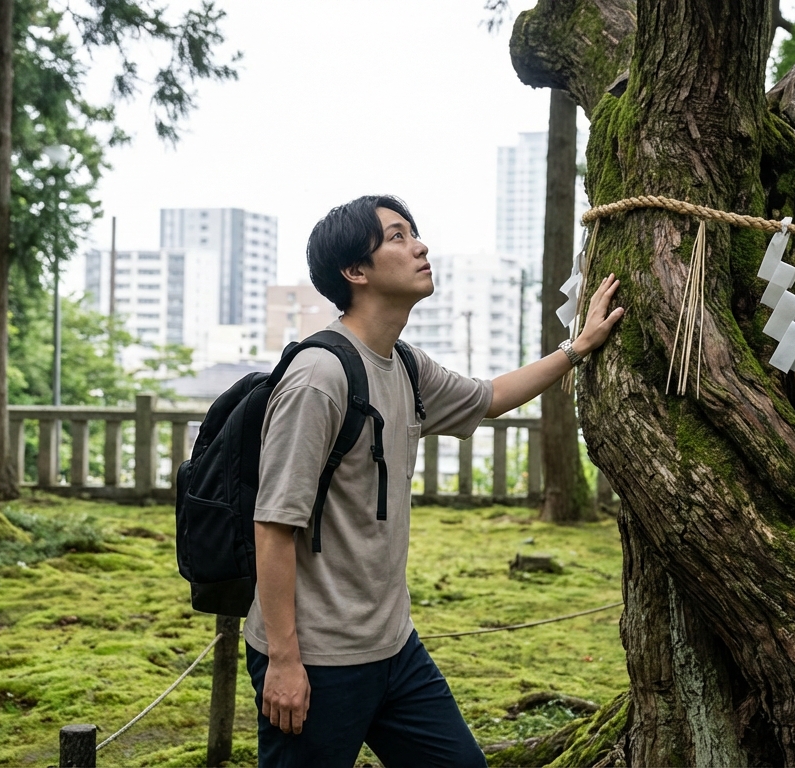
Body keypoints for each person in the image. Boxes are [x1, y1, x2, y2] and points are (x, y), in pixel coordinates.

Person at [243, 194, 624, 767]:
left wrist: (579, 347)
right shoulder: (319, 378)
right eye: (396, 237)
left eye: (413, 233)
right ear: (355, 271)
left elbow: (489, 397)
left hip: (394, 646)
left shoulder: (404, 365)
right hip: (318, 656)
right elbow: (273, 525)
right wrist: (285, 660)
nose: (419, 246)